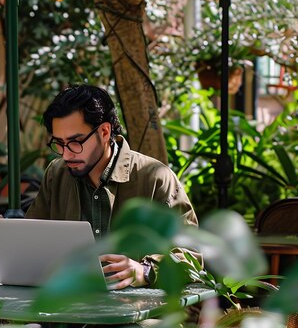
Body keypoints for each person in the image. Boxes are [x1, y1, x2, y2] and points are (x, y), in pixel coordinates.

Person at [26, 83, 198, 290]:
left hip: (139, 316)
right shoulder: (56, 174)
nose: (66, 154)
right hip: (67, 311)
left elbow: (192, 256)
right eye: (59, 143)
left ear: (105, 131)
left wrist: (145, 271)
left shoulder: (155, 177)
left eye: (75, 142)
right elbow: (33, 238)